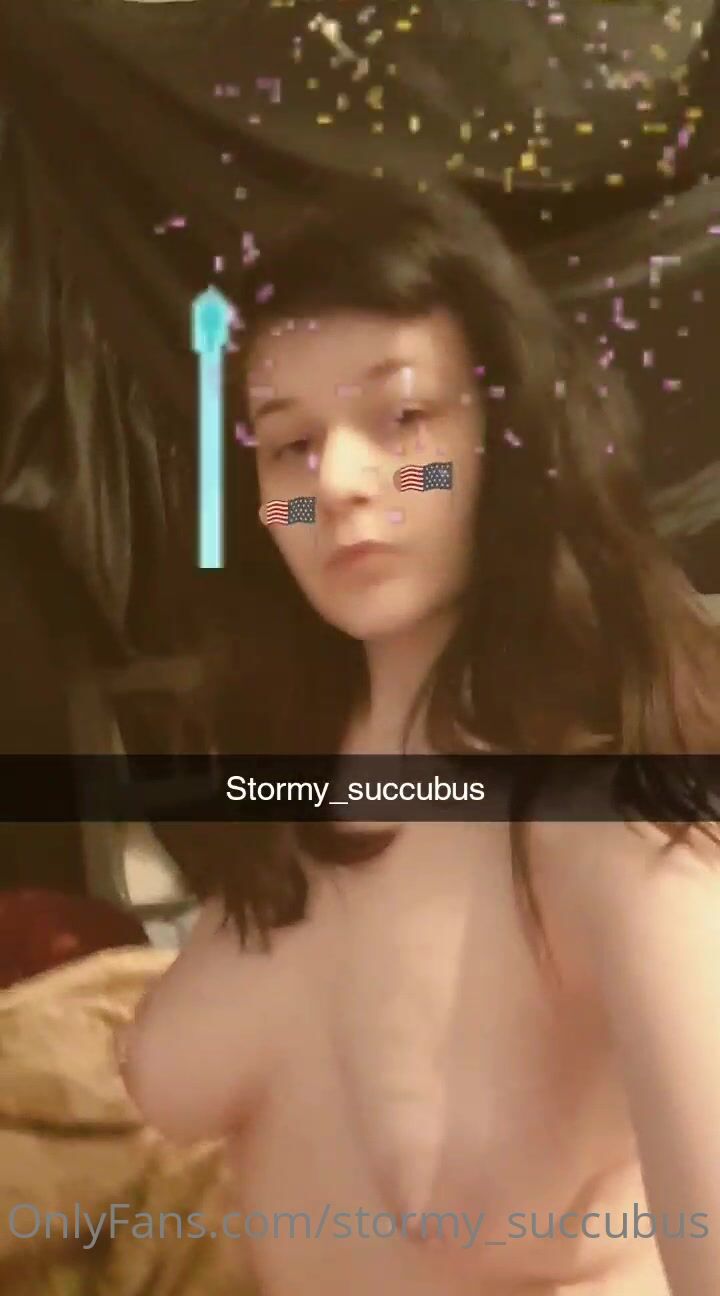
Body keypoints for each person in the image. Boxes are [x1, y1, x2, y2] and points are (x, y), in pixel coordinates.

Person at [118, 176, 719, 1296]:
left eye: (403, 421)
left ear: (506, 441)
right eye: (290, 446)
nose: (340, 483)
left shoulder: (606, 825)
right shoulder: (294, 796)